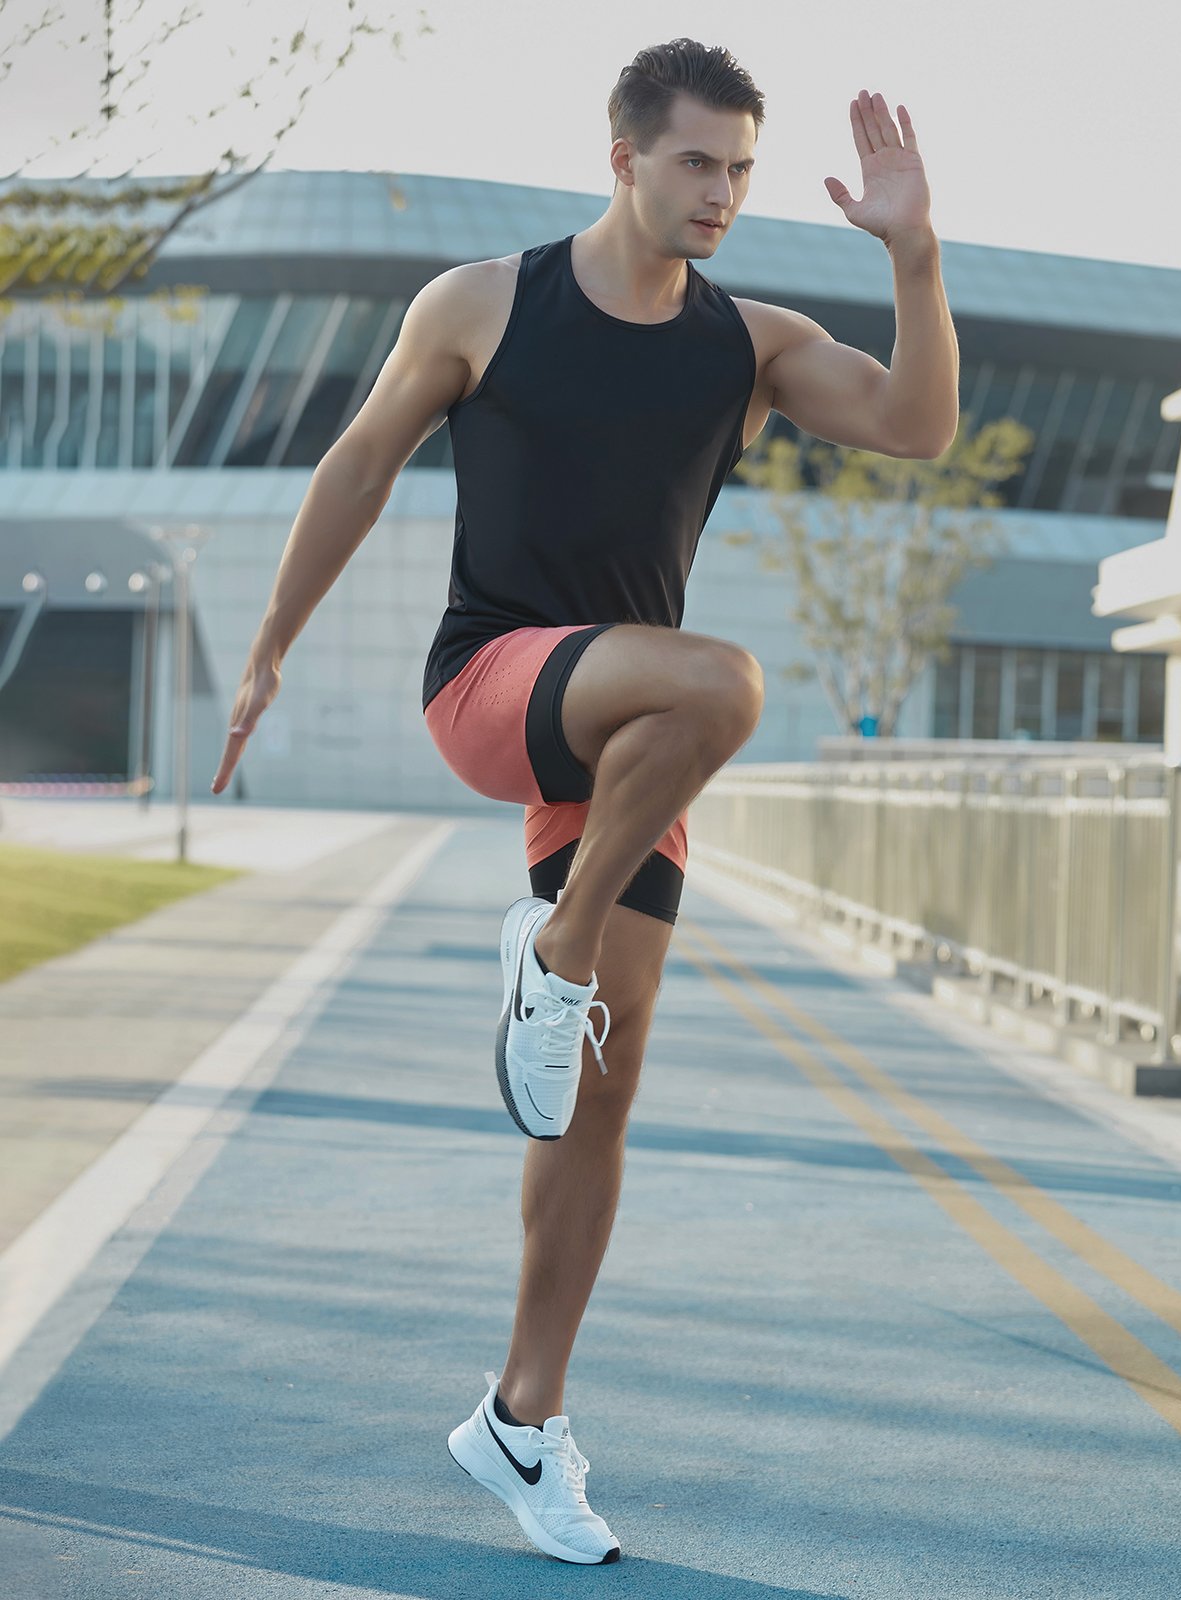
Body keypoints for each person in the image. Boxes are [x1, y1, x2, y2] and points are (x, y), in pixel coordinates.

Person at [212, 37, 958, 1566]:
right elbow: (357, 466)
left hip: (629, 750)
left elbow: (917, 428)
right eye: (699, 163)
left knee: (598, 1091)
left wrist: (918, 253)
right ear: (621, 156)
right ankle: (549, 958)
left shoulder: (745, 342)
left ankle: (522, 1420)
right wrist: (273, 641)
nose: (725, 194)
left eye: (743, 169)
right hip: (493, 687)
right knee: (727, 684)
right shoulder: (486, 302)